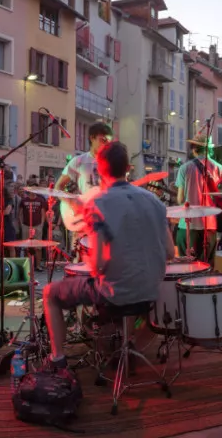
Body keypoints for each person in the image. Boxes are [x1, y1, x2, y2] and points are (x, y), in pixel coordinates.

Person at [42, 141, 174, 370]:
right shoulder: (154, 201)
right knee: (130, 278)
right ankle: (127, 343)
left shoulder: (99, 203)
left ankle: (57, 359)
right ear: (127, 168)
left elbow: (99, 265)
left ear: (100, 169)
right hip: (150, 292)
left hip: (116, 294)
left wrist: (92, 263)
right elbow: (171, 253)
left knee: (50, 293)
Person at [176, 139, 222, 262]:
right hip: (210, 226)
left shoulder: (184, 168)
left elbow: (180, 199)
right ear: (210, 150)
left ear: (194, 149)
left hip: (188, 226)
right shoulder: (219, 168)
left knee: (187, 268)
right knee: (206, 269)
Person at [54, 123, 113, 235]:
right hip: (84, 221)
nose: (106, 144)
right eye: (103, 140)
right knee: (81, 249)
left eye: (109, 141)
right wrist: (71, 203)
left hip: (106, 219)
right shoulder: (78, 161)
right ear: (92, 138)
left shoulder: (112, 163)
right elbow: (58, 187)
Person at [18, 176, 49, 268]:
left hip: (37, 226)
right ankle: (28, 266)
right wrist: (22, 224)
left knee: (38, 247)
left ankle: (38, 265)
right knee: (27, 247)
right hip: (26, 226)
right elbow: (20, 213)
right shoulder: (24, 200)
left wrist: (41, 224)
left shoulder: (40, 200)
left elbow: (43, 213)